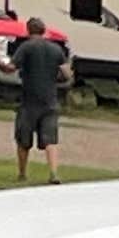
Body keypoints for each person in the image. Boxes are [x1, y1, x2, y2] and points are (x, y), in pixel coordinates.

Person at [11, 16, 72, 182]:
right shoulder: (55, 49)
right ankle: (53, 173)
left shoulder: (26, 47)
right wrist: (56, 78)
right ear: (44, 30)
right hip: (50, 100)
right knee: (50, 139)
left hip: (29, 101)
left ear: (28, 30)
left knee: (23, 139)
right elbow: (67, 74)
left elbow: (11, 67)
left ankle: (22, 173)